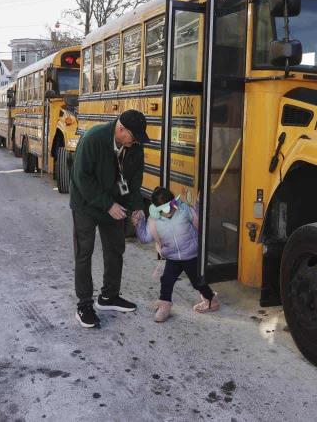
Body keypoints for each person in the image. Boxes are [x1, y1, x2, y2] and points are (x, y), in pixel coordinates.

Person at [71, 109, 150, 328]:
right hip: (87, 204)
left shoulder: (135, 147)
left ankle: (109, 297)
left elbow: (134, 182)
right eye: (132, 137)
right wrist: (107, 205)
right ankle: (84, 305)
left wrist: (136, 208)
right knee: (84, 252)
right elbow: (81, 178)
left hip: (116, 204)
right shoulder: (93, 139)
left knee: (116, 249)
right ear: (121, 129)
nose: (135, 142)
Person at [132, 187, 219, 322]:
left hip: (190, 255)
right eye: (163, 209)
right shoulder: (154, 220)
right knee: (166, 281)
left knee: (197, 282)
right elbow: (144, 238)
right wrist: (139, 222)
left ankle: (211, 300)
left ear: (174, 202)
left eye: (170, 206)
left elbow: (200, 221)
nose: (168, 212)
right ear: (156, 209)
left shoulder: (184, 210)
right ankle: (164, 306)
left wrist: (199, 203)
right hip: (172, 257)